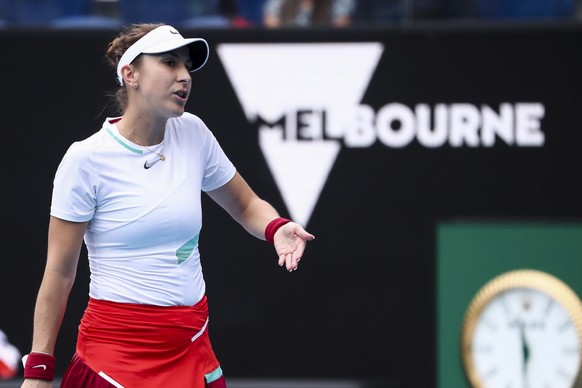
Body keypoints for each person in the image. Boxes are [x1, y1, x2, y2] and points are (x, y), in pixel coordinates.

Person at [21, 23, 315, 388]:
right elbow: (60, 273)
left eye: (187, 66)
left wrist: (275, 227)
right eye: (169, 63)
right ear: (131, 74)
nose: (184, 76)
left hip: (191, 347)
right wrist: (39, 369)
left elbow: (246, 204)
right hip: (115, 356)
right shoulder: (86, 159)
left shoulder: (194, 133)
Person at [263, 0, 355, 27]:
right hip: (288, 48)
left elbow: (341, 23)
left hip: (324, 49)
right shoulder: (282, 2)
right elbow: (271, 21)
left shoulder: (336, 3)